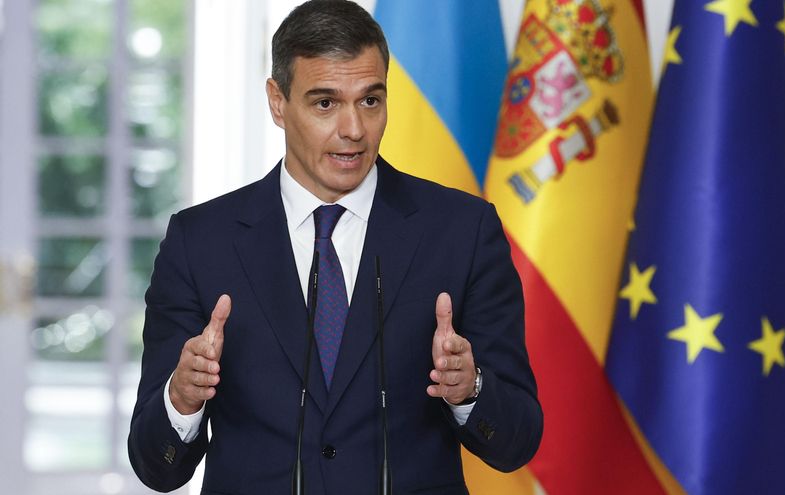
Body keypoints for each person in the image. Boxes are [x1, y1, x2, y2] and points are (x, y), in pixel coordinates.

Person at [128, 1, 542, 493]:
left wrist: (469, 390)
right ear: (277, 102)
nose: (353, 130)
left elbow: (517, 441)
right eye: (325, 103)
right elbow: (157, 467)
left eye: (370, 101)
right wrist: (181, 399)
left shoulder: (462, 231)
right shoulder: (200, 241)